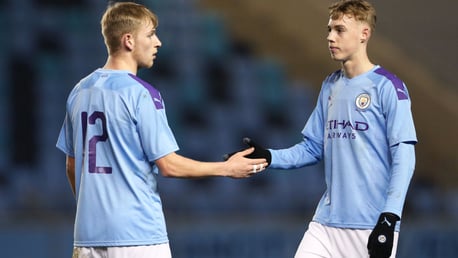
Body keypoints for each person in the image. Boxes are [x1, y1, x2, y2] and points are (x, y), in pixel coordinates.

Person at [56, 2, 267, 258]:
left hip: (87, 237)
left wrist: (95, 210)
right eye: (151, 34)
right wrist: (225, 169)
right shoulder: (140, 94)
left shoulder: (80, 91)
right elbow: (169, 165)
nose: (158, 42)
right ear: (129, 41)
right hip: (137, 236)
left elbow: (71, 165)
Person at [231, 0, 417, 257]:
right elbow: (312, 148)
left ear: (365, 34)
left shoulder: (388, 87)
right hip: (326, 223)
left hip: (371, 224)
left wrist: (390, 216)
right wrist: (270, 157)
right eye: (329, 29)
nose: (330, 37)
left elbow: (405, 156)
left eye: (339, 30)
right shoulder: (331, 86)